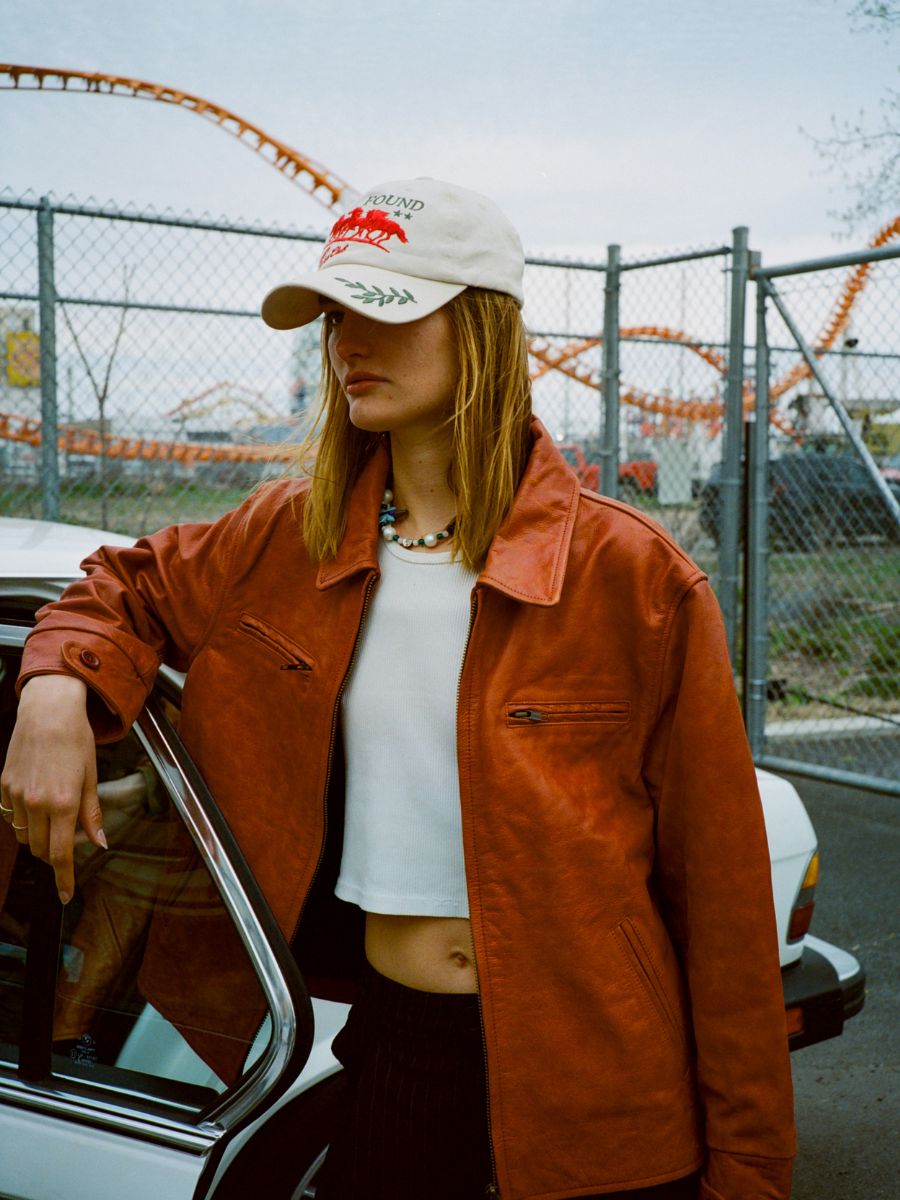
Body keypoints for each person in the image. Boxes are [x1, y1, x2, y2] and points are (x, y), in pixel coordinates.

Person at [0, 178, 795, 1199]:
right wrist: (52, 693)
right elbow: (119, 587)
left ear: (482, 329)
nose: (347, 343)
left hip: (599, 1077)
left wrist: (750, 1171)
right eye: (335, 316)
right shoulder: (282, 539)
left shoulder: (633, 578)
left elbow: (725, 912)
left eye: (383, 310)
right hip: (397, 1050)